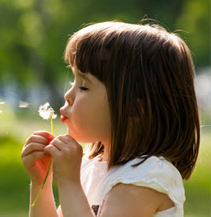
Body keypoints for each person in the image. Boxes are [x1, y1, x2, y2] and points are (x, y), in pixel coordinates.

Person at [21, 21, 201, 217]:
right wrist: (41, 184)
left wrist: (69, 183)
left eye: (84, 86)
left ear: (133, 109)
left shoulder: (145, 177)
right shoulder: (91, 166)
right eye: (73, 81)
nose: (68, 95)